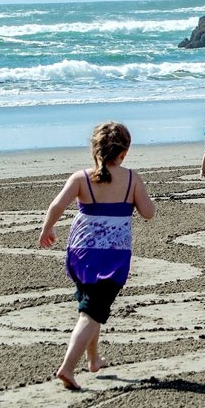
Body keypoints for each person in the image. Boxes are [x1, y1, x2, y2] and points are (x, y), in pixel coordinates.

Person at [39, 122, 155, 391]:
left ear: (95, 148)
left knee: (90, 305)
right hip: (112, 258)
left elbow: (57, 205)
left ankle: (94, 359)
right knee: (92, 314)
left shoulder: (81, 178)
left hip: (80, 253)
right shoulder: (130, 178)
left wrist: (48, 229)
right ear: (124, 152)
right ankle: (67, 367)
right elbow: (148, 213)